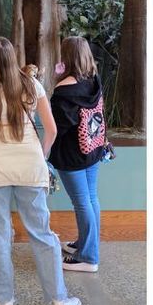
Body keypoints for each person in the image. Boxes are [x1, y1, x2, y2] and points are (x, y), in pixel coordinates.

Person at [0, 35, 81, 305]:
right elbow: (51, 130)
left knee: (0, 235)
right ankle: (60, 302)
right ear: (14, 57)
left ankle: (4, 301)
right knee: (42, 233)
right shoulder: (32, 85)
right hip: (29, 167)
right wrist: (39, 155)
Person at [48, 36, 106, 272]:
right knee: (91, 198)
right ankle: (86, 243)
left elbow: (59, 127)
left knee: (81, 202)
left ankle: (88, 257)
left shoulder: (64, 91)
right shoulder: (93, 80)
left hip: (72, 156)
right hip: (93, 149)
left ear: (66, 57)